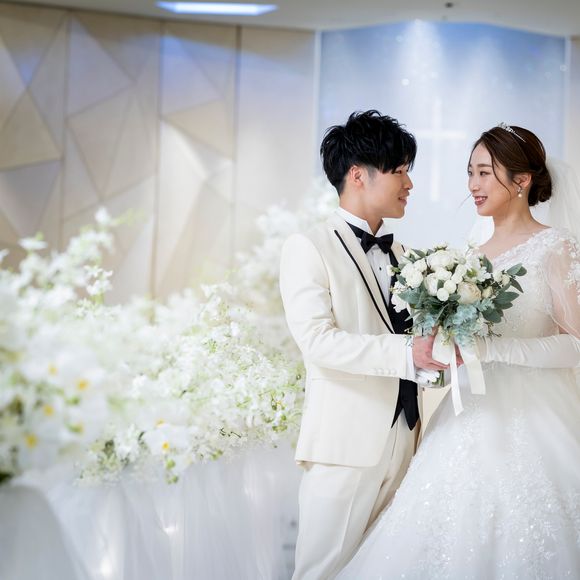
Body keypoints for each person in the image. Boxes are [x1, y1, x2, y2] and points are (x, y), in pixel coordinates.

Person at [337, 124, 580, 579]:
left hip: (538, 415)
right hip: (466, 413)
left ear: (522, 180)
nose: (473, 185)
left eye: (485, 172)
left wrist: (496, 350)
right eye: (470, 172)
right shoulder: (465, 258)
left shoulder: (556, 246)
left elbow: (575, 346)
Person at [279, 110, 447, 580]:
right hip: (346, 443)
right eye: (400, 171)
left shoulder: (404, 255)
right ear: (358, 175)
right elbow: (317, 341)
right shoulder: (308, 246)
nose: (409, 184)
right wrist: (406, 354)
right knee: (322, 571)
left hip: (407, 436)